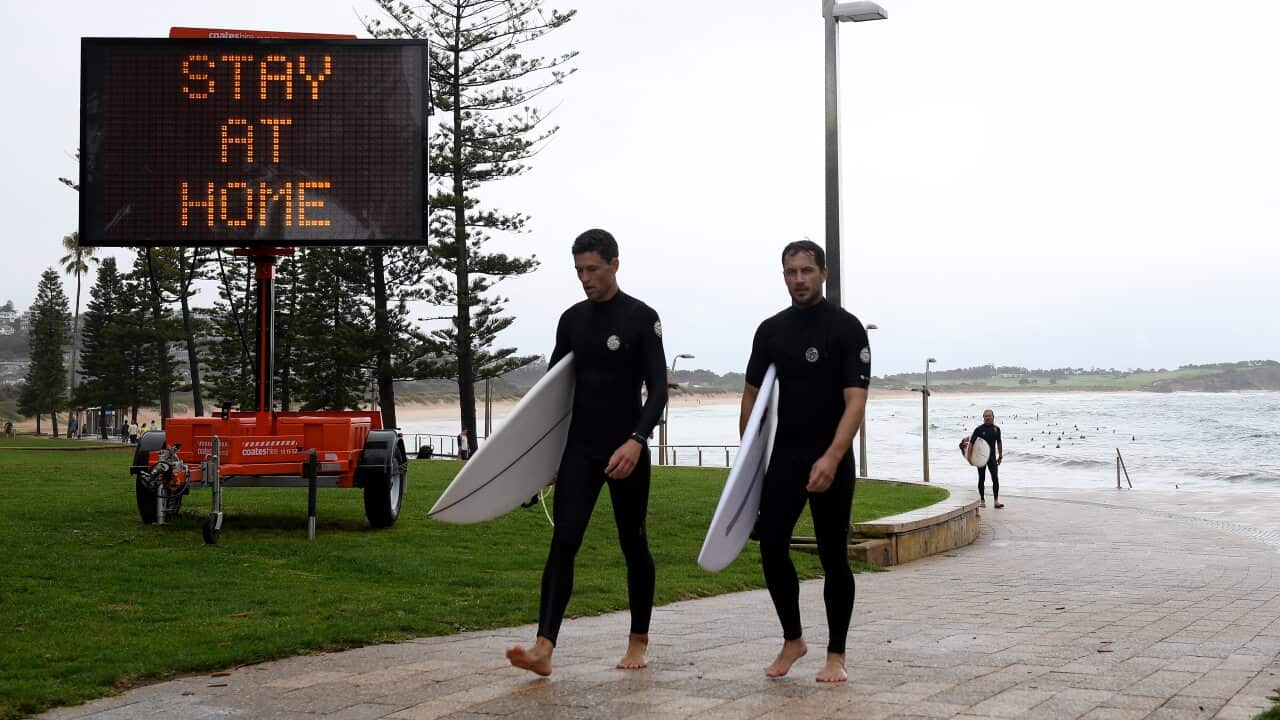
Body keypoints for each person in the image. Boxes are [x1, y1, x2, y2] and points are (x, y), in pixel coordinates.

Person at [506, 228, 667, 677]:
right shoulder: (572, 320)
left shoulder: (641, 318)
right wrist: (546, 458)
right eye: (579, 270)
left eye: (592, 269)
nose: (585, 278)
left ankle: (638, 640)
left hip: (625, 448)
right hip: (580, 449)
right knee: (564, 542)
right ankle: (543, 647)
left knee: (633, 543)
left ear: (615, 264)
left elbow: (657, 391)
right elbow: (552, 395)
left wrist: (637, 441)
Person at [740, 239, 870, 683]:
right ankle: (793, 639)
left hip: (831, 455)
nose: (799, 280)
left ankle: (836, 654)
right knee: (772, 545)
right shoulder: (771, 330)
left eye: (806, 271)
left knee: (834, 556)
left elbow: (856, 401)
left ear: (824, 274)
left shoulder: (847, 328)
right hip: (786, 457)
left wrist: (833, 457)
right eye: (791, 272)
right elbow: (754, 395)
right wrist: (748, 463)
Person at [967, 409, 1004, 508]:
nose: (987, 418)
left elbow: (999, 443)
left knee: (995, 478)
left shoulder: (996, 429)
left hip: (992, 458)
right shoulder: (979, 429)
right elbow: (971, 443)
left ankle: (996, 501)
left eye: (989, 416)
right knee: (981, 478)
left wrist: (1000, 455)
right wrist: (969, 457)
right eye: (986, 416)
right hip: (981, 458)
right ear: (983, 417)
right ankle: (982, 500)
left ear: (993, 417)